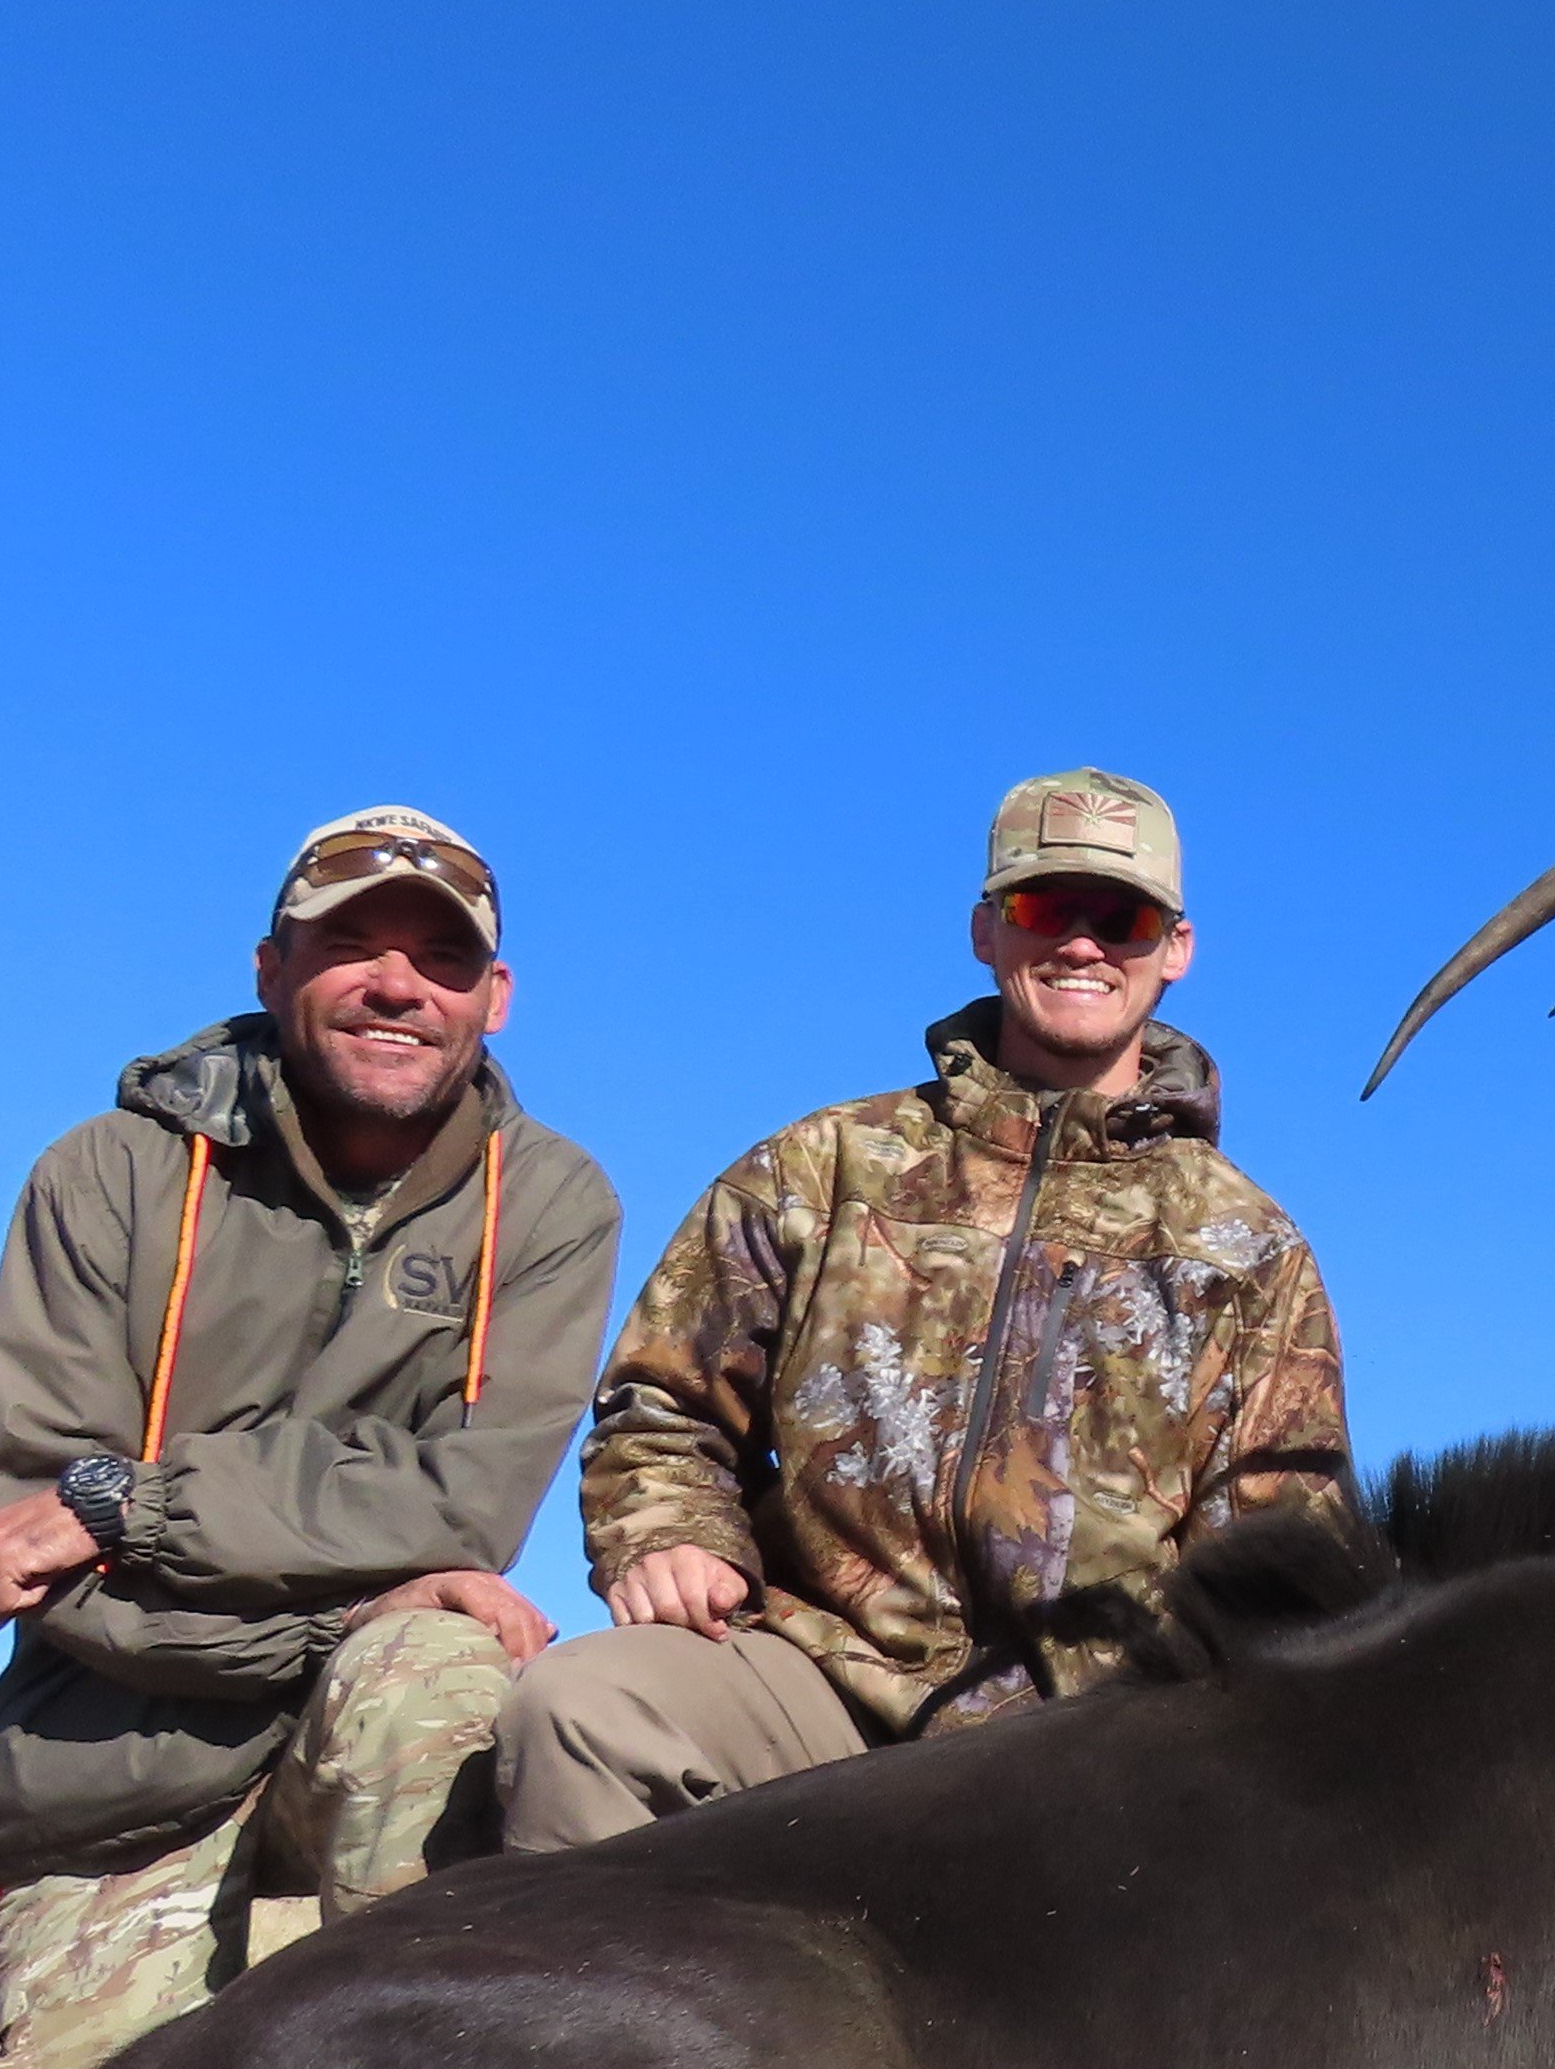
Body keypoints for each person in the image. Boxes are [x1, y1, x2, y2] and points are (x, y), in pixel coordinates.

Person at [493, 766, 1350, 1841]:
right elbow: (663, 1407)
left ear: (1174, 948)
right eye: (1045, 908)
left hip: (1088, 1748)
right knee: (578, 1711)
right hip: (815, 1685)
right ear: (986, 931)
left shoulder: (1248, 1248)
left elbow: (1282, 1558)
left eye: (1120, 917)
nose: (1081, 943)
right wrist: (670, 1534)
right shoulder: (820, 1164)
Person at [0, 807, 619, 2069]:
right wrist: (367, 1592)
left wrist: (129, 1507)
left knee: (442, 1669)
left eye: (440, 958)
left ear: (496, 997)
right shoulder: (106, 1175)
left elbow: (469, 1505)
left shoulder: (553, 1202)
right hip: (115, 1759)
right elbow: (45, 1560)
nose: (395, 984)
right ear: (267, 969)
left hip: (371, 1725)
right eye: (347, 945)